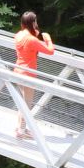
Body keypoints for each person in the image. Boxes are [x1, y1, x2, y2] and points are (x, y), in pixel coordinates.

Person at [12, 11, 56, 139]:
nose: (37, 23)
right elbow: (50, 51)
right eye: (35, 21)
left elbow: (28, 45)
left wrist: (35, 35)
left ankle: (20, 127)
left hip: (18, 70)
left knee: (24, 101)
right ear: (32, 22)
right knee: (27, 103)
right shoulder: (32, 39)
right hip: (28, 73)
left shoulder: (19, 35)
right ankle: (21, 131)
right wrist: (47, 38)